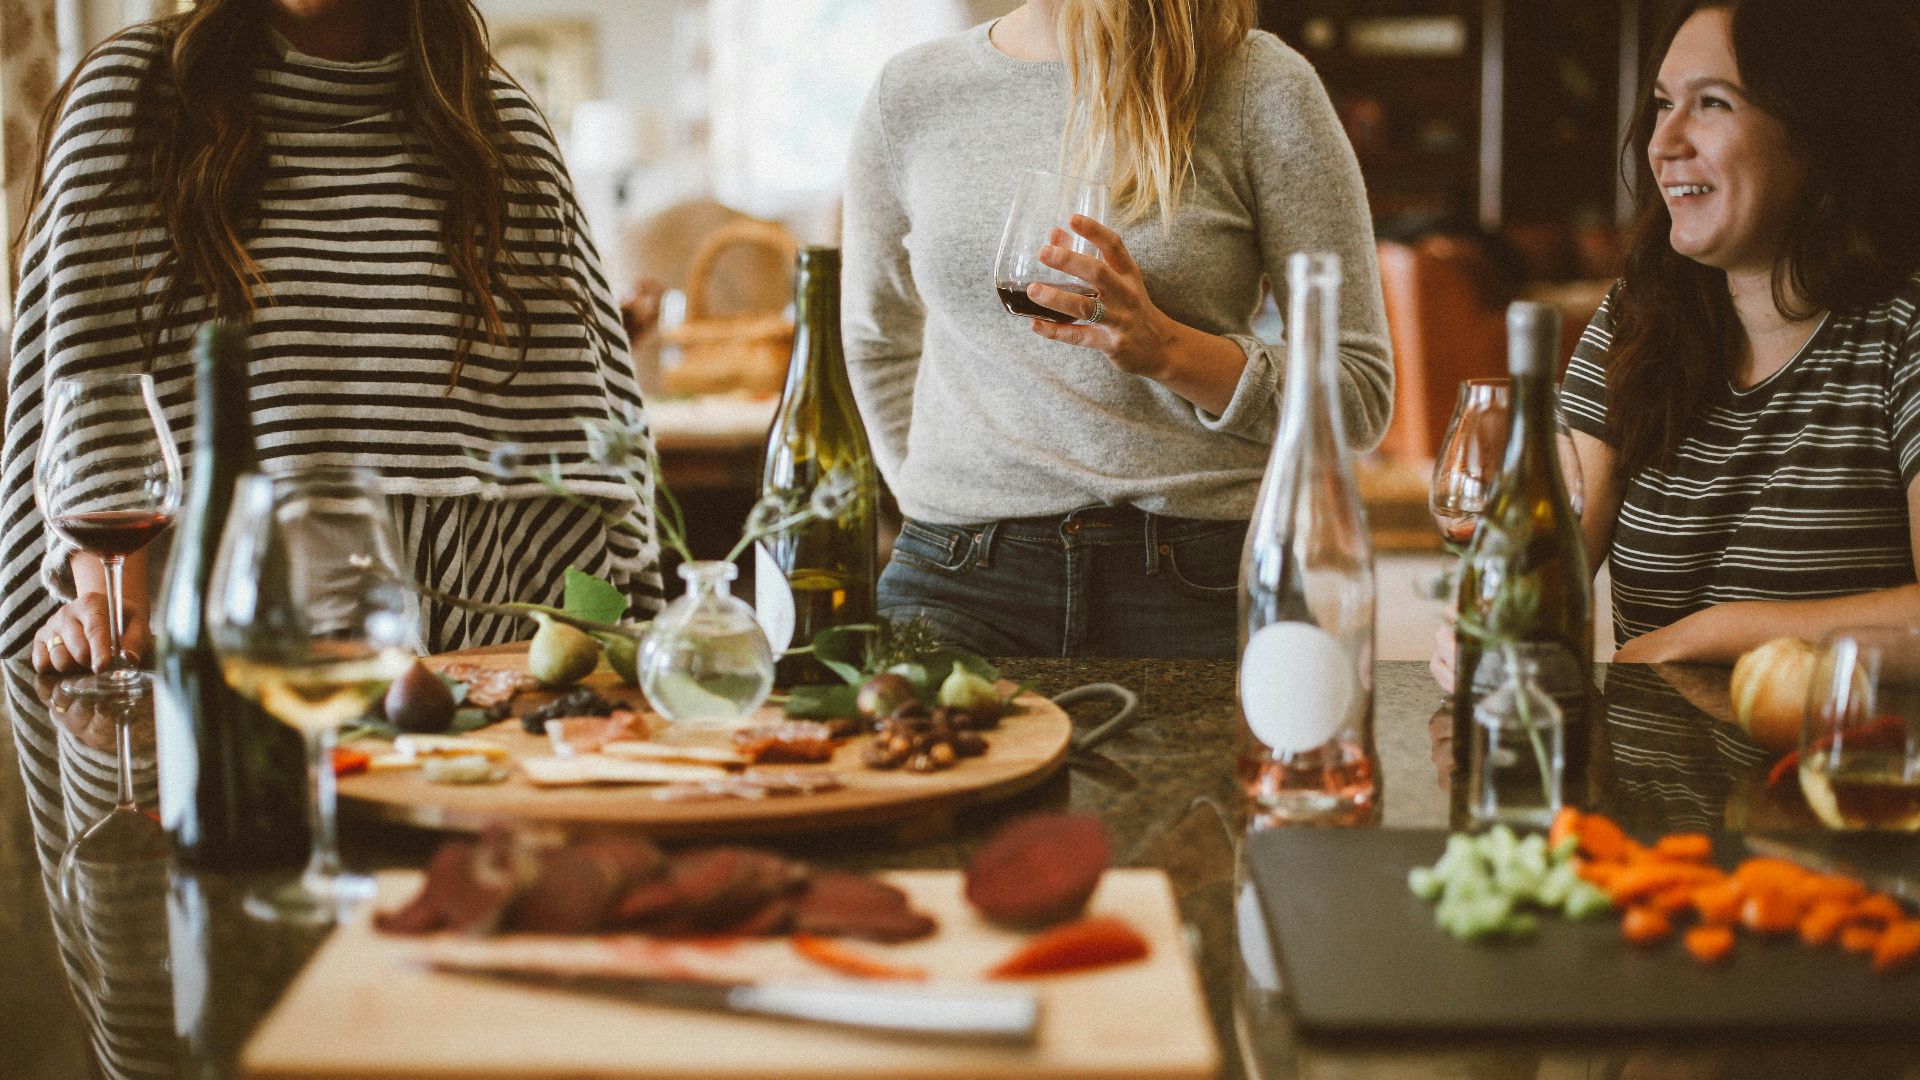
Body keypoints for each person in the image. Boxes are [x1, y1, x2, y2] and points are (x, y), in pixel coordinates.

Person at [6, 0, 662, 673]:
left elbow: (583, 446)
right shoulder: (134, 98)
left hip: (477, 656)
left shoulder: (495, 122)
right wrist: (110, 616)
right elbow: (96, 405)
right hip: (227, 662)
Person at [841, 0, 1392, 659]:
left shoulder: (1259, 85)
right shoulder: (909, 92)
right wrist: (936, 495)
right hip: (957, 578)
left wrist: (1168, 351)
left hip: (1198, 578)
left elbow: (1357, 396)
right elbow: (877, 342)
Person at [1433, 0, 1920, 686]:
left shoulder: (1904, 329)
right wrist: (1493, 617)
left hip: (1840, 781)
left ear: (1820, 130)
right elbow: (1556, 554)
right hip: (1649, 787)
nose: (1664, 142)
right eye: (1663, 104)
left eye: (1713, 103)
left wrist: (1713, 633)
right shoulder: (1638, 316)